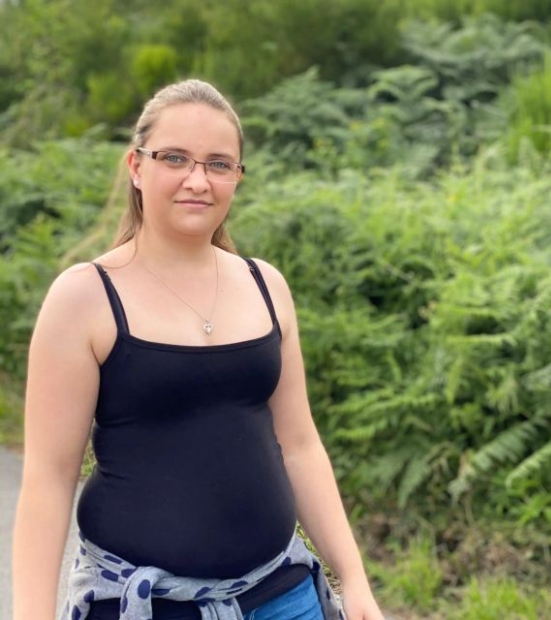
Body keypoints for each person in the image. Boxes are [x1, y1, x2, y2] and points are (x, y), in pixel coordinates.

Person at [12, 79, 384, 620]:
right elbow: (49, 478)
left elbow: (300, 445)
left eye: (218, 164)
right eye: (175, 158)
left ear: (237, 177)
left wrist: (354, 579)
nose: (197, 180)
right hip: (148, 606)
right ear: (136, 167)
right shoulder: (84, 298)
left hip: (284, 596)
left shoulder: (265, 285)